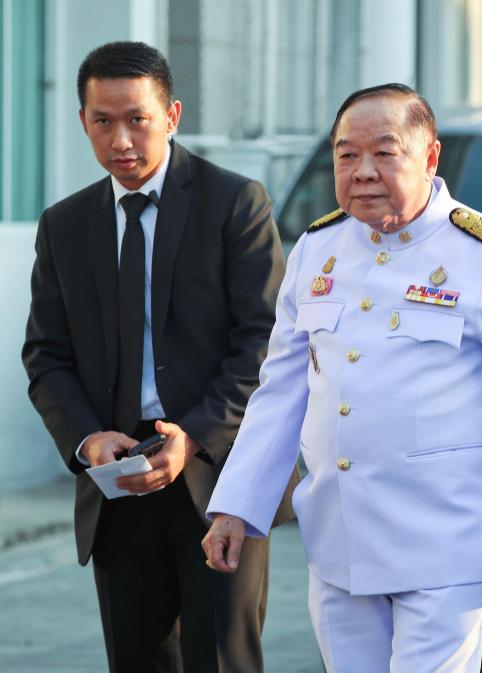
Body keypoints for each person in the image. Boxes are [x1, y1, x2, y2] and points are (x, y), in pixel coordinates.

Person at [201, 83, 482, 673]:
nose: (363, 172)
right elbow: (280, 392)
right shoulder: (315, 250)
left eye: (385, 152)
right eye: (346, 155)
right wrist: (237, 507)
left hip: (448, 549)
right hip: (340, 546)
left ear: (431, 157)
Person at [22, 41, 297, 673]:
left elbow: (265, 343)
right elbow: (46, 354)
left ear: (171, 115)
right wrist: (89, 439)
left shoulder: (234, 203)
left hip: (217, 479)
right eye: (102, 121)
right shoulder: (64, 225)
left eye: (137, 119)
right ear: (83, 121)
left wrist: (193, 436)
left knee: (222, 660)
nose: (121, 139)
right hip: (117, 485)